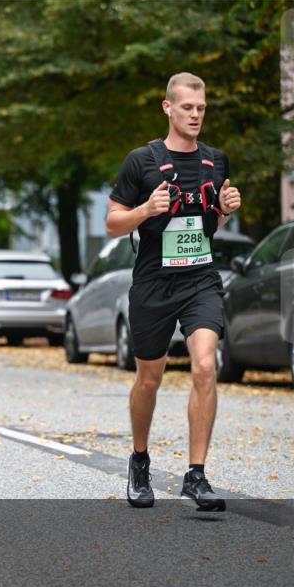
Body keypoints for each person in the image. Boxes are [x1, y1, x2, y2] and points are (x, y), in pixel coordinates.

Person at [105, 72, 242, 511]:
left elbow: (212, 222)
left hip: (200, 279)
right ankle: (140, 460)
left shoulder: (216, 161)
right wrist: (146, 209)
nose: (195, 115)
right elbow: (112, 222)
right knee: (149, 378)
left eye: (201, 108)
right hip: (153, 282)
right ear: (168, 108)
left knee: (205, 366)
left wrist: (225, 210)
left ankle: (196, 476)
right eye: (187, 107)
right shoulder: (140, 161)